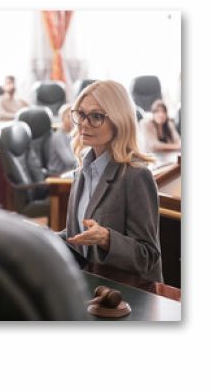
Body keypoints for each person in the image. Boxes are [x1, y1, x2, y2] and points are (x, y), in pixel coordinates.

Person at [57, 80, 163, 284]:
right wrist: (41, 238)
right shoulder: (80, 173)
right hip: (92, 287)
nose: (84, 124)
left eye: (96, 116)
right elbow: (77, 237)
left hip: (129, 296)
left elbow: (147, 255)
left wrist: (107, 239)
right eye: (81, 114)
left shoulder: (136, 176)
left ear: (119, 121)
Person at [47, 104, 77, 176]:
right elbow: (69, 161)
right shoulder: (58, 137)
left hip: (69, 171)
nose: (72, 120)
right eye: (69, 117)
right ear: (62, 118)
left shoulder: (72, 134)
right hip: (57, 175)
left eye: (74, 117)